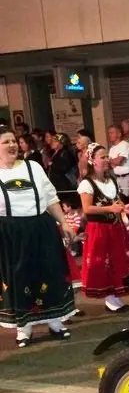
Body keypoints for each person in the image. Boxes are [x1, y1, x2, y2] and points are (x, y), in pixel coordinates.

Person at [0, 126, 76, 348]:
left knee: (50, 272)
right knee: (18, 278)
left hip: (41, 228)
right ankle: (23, 329)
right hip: (10, 234)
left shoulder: (33, 167)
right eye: (6, 142)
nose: (12, 145)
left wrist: (64, 223)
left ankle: (55, 322)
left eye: (13, 141)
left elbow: (51, 198)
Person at [78, 143, 129, 312]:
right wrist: (110, 209)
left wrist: (124, 208)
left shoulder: (111, 180)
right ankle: (110, 300)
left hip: (115, 227)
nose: (106, 160)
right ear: (93, 161)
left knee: (117, 262)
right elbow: (87, 209)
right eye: (102, 157)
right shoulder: (87, 184)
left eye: (107, 156)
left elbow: (116, 202)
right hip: (99, 229)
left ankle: (115, 298)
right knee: (103, 264)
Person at [47, 133, 80, 209]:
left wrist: (52, 164)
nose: (52, 143)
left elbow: (64, 167)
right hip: (58, 185)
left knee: (65, 205)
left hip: (64, 185)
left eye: (55, 141)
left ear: (61, 143)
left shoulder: (64, 153)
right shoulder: (56, 153)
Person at [107, 124, 129, 196]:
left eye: (112, 133)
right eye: (109, 133)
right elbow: (109, 165)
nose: (109, 135)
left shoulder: (125, 145)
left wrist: (110, 160)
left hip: (126, 178)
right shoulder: (112, 148)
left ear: (119, 134)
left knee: (126, 199)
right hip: (116, 177)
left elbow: (119, 161)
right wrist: (112, 161)